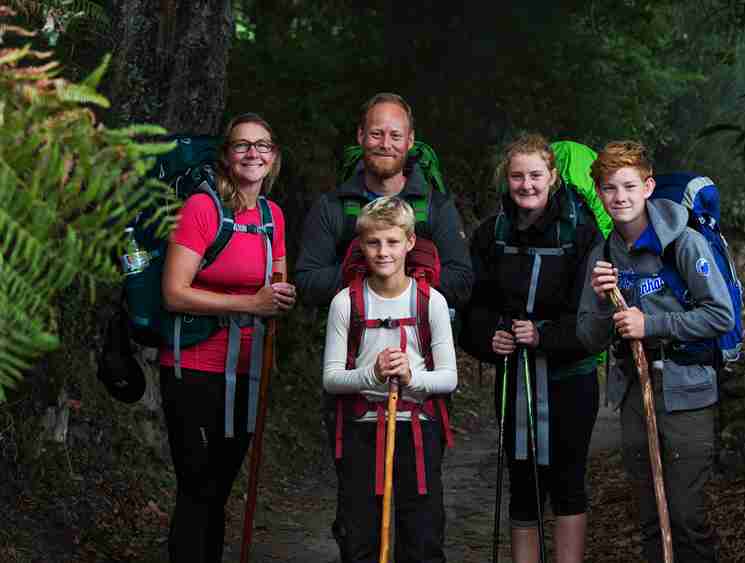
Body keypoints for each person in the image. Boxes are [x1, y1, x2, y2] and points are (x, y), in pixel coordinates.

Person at [576, 141, 734, 563]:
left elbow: (721, 315)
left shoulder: (683, 243)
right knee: (650, 517)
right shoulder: (603, 255)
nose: (619, 197)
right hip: (634, 394)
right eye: (609, 188)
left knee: (684, 517)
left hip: (686, 390)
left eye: (628, 186)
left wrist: (653, 325)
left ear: (648, 187)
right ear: (600, 193)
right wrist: (600, 301)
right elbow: (589, 340)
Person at [159, 113, 296, 563]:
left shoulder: (273, 216)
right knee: (196, 486)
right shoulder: (202, 208)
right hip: (193, 367)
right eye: (242, 145)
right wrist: (248, 305)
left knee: (217, 489)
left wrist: (279, 297)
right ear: (226, 155)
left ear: (273, 157)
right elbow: (175, 293)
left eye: (262, 145)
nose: (253, 153)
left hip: (246, 372)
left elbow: (273, 289)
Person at [460, 134, 603, 562]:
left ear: (553, 177)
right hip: (515, 376)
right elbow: (472, 306)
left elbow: (591, 317)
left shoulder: (581, 232)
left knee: (567, 480)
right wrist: (492, 337)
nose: (526, 185)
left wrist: (544, 335)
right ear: (507, 178)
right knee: (522, 482)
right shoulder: (491, 233)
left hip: (571, 378)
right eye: (518, 176)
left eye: (535, 175)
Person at [323, 196, 457, 563]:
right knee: (359, 537)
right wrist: (373, 374)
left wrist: (411, 377)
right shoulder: (345, 303)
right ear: (361, 245)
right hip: (361, 430)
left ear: (410, 242)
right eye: (373, 242)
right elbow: (332, 378)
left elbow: (448, 378)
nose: (383, 252)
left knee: (422, 536)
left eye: (393, 242)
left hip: (418, 428)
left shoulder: (431, 302)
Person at [294, 92, 473, 309]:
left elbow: (462, 283)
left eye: (396, 136)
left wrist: (407, 274)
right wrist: (363, 269)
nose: (386, 144)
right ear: (361, 136)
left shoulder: (436, 206)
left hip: (417, 337)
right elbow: (306, 284)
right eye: (376, 134)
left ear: (410, 140)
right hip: (351, 335)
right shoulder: (331, 206)